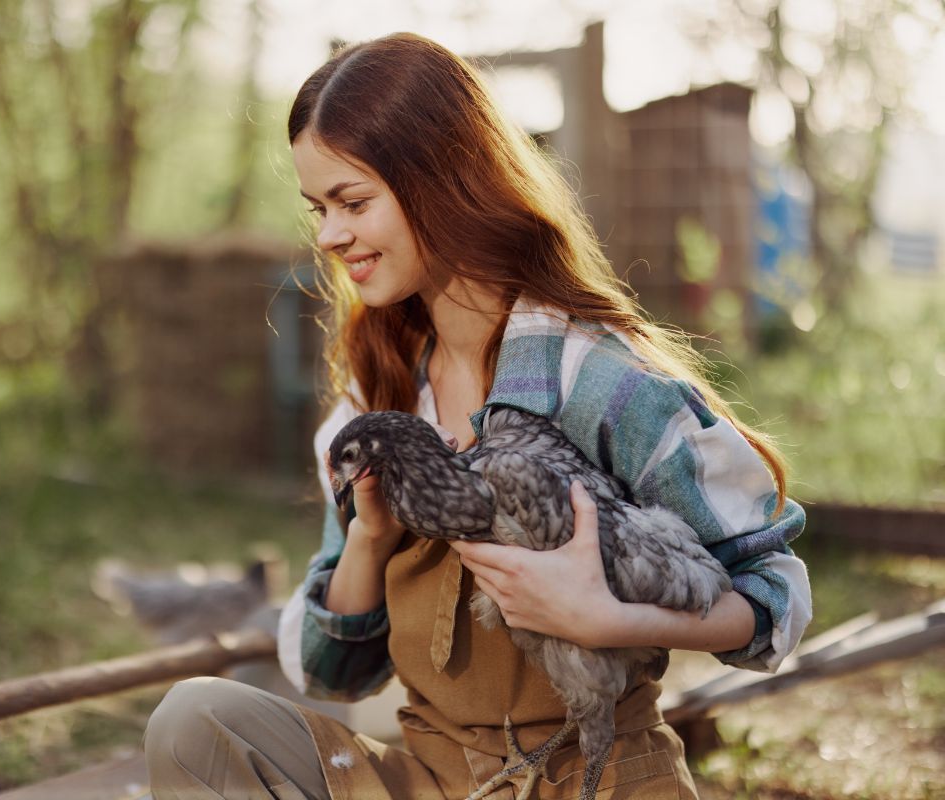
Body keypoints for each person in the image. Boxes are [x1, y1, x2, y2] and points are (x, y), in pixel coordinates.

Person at [143, 32, 811, 799]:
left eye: (353, 203)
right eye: (319, 208)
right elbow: (333, 671)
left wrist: (603, 618)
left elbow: (775, 597)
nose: (328, 235)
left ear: (441, 181)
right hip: (431, 776)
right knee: (196, 722)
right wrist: (368, 539)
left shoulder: (599, 378)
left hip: (595, 778)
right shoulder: (379, 398)